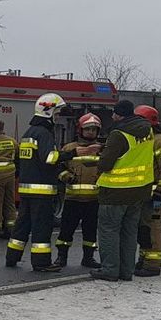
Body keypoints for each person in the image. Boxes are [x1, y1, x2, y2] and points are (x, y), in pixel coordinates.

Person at [6, 93, 97, 272]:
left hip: (27, 189)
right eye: (56, 113)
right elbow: (50, 158)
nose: (57, 117)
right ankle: (41, 263)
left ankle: (12, 257)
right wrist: (75, 152)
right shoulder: (44, 133)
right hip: (41, 192)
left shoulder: (29, 132)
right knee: (41, 228)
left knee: (21, 227)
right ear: (48, 112)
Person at [91, 99, 154, 282]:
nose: (112, 116)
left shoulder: (119, 133)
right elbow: (133, 153)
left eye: (114, 113)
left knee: (109, 231)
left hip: (115, 191)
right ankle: (126, 271)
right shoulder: (148, 130)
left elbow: (106, 163)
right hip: (139, 191)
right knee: (129, 232)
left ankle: (110, 270)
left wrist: (98, 156)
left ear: (119, 115)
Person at [53, 113, 103, 268]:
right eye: (87, 129)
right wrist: (66, 176)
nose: (91, 132)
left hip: (93, 200)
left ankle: (88, 258)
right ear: (80, 130)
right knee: (66, 232)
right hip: (72, 199)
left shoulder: (101, 149)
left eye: (94, 130)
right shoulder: (70, 148)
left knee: (90, 232)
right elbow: (58, 167)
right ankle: (61, 257)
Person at [135, 105, 161, 277]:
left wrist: (160, 190)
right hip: (144, 192)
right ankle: (144, 259)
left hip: (155, 193)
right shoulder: (145, 140)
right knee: (144, 228)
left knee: (153, 228)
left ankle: (153, 265)